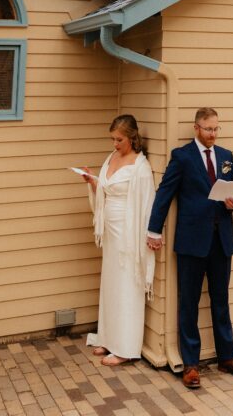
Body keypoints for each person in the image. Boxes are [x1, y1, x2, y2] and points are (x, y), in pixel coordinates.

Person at [146, 107, 233, 389]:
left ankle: (228, 357)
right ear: (196, 128)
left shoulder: (226, 156)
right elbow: (164, 194)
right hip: (192, 242)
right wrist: (153, 230)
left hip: (221, 240)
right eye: (209, 129)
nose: (213, 134)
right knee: (188, 303)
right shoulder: (182, 157)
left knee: (221, 300)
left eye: (217, 129)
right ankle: (192, 365)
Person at [80, 114, 156, 366]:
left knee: (126, 284)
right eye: (112, 139)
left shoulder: (140, 167)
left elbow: (147, 205)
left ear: (132, 138)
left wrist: (150, 235)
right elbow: (104, 189)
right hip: (110, 232)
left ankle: (125, 346)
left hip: (128, 232)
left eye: (119, 139)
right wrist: (92, 182)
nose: (115, 144)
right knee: (111, 282)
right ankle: (109, 337)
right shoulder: (110, 158)